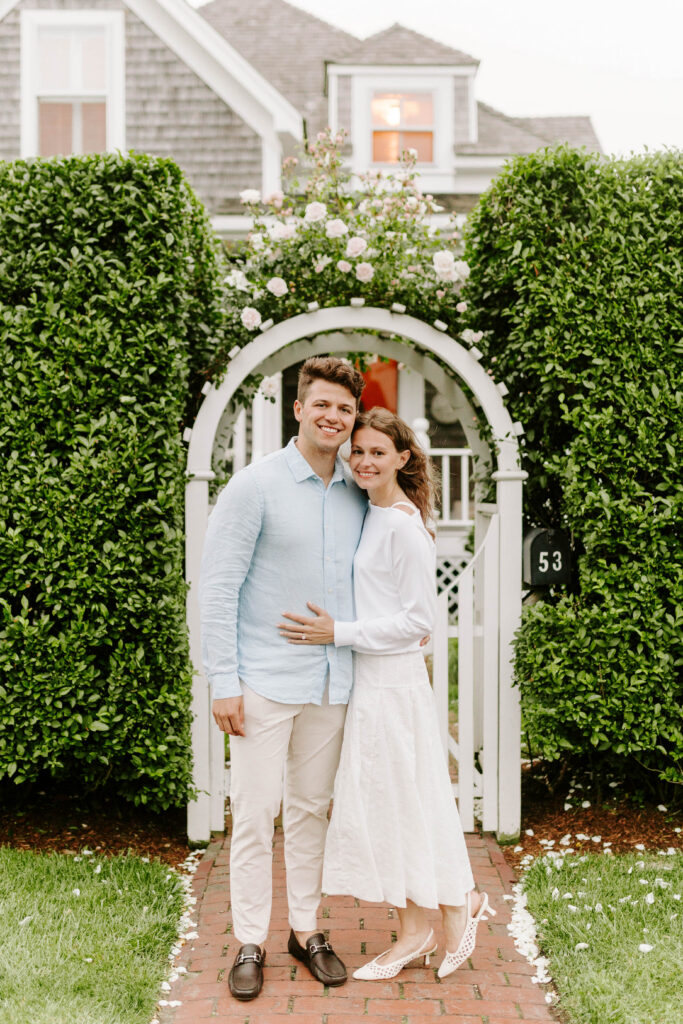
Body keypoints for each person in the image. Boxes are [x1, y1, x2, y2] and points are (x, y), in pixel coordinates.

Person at [279, 407, 495, 981]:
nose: (364, 460)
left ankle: (454, 907)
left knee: (408, 798)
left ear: (403, 458)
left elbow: (419, 620)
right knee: (387, 804)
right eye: (359, 451)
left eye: (378, 451)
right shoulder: (368, 511)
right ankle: (423, 925)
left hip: (395, 683)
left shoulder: (403, 525)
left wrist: (339, 632)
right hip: (367, 680)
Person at [199, 356, 368, 1001]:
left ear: (354, 416)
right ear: (298, 409)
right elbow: (217, 590)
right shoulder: (255, 486)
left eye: (345, 408)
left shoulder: (359, 489)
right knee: (254, 815)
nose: (334, 417)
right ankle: (249, 939)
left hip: (330, 684)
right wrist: (223, 680)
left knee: (310, 813)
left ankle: (305, 931)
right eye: (322, 404)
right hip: (264, 682)